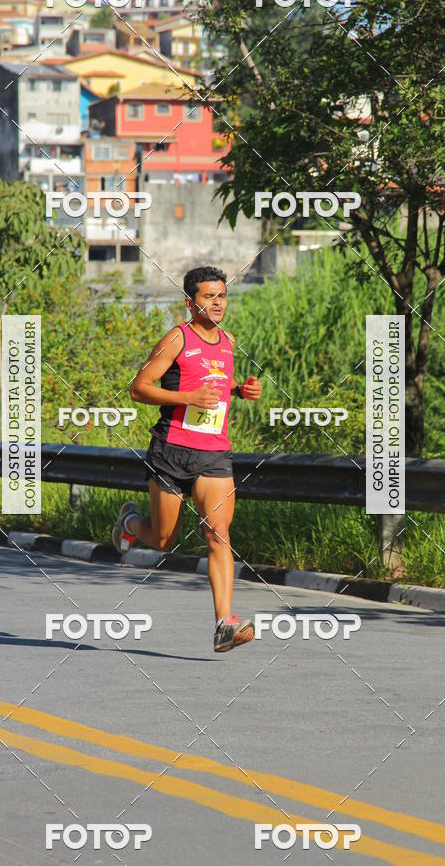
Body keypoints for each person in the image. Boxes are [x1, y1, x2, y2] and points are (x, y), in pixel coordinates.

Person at [112, 266, 262, 653]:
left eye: (222, 296)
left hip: (213, 451)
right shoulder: (176, 339)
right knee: (164, 539)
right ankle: (129, 523)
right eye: (209, 296)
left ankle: (224, 623)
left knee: (218, 533)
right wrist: (187, 399)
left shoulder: (227, 341)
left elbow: (215, 384)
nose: (217, 303)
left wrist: (239, 390)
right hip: (171, 452)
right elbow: (139, 389)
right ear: (190, 302)